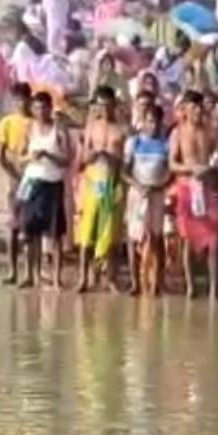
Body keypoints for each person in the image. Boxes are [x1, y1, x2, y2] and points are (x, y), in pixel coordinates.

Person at [171, 92, 218, 297]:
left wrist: (212, 166)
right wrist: (190, 168)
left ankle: (213, 288)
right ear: (184, 110)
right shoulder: (178, 133)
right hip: (187, 187)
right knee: (187, 239)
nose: (196, 112)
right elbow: (172, 163)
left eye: (199, 108)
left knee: (213, 239)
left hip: (209, 188)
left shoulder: (211, 133)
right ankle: (191, 286)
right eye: (192, 108)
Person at [75, 86, 127, 293]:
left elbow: (125, 161)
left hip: (113, 180)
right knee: (87, 231)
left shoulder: (121, 130)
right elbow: (81, 160)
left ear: (114, 105)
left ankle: (111, 277)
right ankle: (84, 277)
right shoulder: (90, 128)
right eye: (100, 106)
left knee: (111, 232)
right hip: (93, 179)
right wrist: (95, 155)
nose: (104, 110)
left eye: (108, 105)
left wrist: (111, 156)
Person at [18, 92, 70, 291]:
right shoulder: (29, 129)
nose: (41, 111)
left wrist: (49, 154)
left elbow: (67, 159)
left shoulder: (59, 129)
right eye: (37, 108)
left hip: (52, 183)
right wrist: (30, 157)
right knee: (31, 233)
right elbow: (19, 157)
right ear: (32, 109)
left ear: (50, 107)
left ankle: (57, 278)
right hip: (32, 183)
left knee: (55, 234)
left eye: (44, 107)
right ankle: (32, 275)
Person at [123, 103, 171, 296]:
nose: (152, 126)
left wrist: (160, 185)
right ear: (142, 122)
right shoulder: (134, 142)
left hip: (157, 194)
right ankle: (135, 282)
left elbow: (171, 172)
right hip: (137, 194)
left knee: (157, 237)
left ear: (161, 123)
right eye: (149, 121)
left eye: (156, 122)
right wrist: (137, 185)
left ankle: (157, 283)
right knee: (133, 238)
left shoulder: (165, 144)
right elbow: (124, 172)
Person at [0, 83, 33, 285]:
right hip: (13, 179)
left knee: (31, 226)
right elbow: (0, 156)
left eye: (23, 98)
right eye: (16, 99)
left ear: (29, 99)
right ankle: (12, 271)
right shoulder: (7, 123)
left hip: (35, 178)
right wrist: (14, 174)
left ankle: (30, 272)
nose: (20, 103)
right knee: (13, 225)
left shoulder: (36, 123)